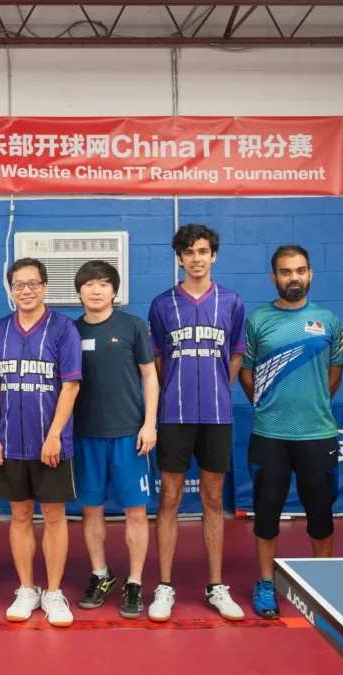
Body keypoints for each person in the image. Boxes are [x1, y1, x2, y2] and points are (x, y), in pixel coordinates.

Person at [237, 245, 343, 619]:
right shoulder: (257, 320)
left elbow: (335, 374)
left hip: (317, 434)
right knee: (266, 515)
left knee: (321, 514)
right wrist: (265, 404)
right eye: (285, 272)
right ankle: (266, 582)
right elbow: (245, 371)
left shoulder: (329, 320)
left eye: (300, 270)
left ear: (310, 274)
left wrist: (312, 404)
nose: (293, 277)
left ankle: (323, 582)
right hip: (269, 434)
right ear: (274, 277)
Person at [147, 222, 246, 622]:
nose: (196, 258)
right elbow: (156, 362)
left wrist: (219, 387)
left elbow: (235, 356)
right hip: (174, 415)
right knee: (169, 498)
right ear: (180, 258)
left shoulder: (233, 302)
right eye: (189, 252)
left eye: (203, 251)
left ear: (213, 255)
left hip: (217, 416)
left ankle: (216, 586)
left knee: (213, 499)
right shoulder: (161, 305)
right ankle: (165, 587)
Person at [0, 257, 82, 628]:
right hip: (10, 444)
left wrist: (55, 434)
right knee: (20, 515)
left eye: (33, 284)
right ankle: (27, 588)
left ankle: (54, 592)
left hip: (50, 444)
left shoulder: (63, 328)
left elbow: (71, 386)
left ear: (44, 287)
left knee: (54, 517)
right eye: (19, 285)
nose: (26, 291)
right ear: (11, 290)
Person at [71, 260, 159, 619]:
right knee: (90, 510)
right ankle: (100, 574)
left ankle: (135, 581)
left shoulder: (132, 325)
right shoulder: (68, 330)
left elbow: (150, 377)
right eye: (89, 284)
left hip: (129, 435)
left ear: (114, 290)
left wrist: (149, 424)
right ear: (79, 291)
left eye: (103, 284)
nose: (96, 290)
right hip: (85, 436)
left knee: (135, 513)